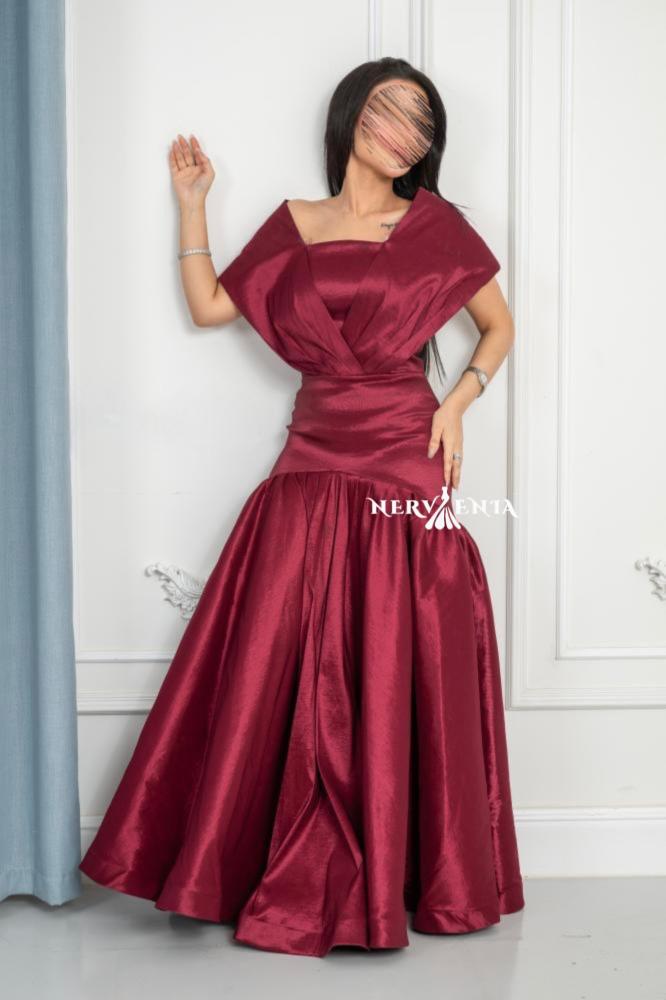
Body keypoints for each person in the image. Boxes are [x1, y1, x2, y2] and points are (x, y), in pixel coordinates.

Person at [79, 57, 525, 958]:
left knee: (403, 643)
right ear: (352, 114)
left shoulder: (436, 229)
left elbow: (500, 325)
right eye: (392, 111)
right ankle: (242, 860)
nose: (406, 133)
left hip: (405, 454)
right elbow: (211, 307)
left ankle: (409, 871)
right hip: (313, 454)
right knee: (276, 646)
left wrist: (457, 403)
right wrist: (194, 205)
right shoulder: (294, 223)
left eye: (423, 124)